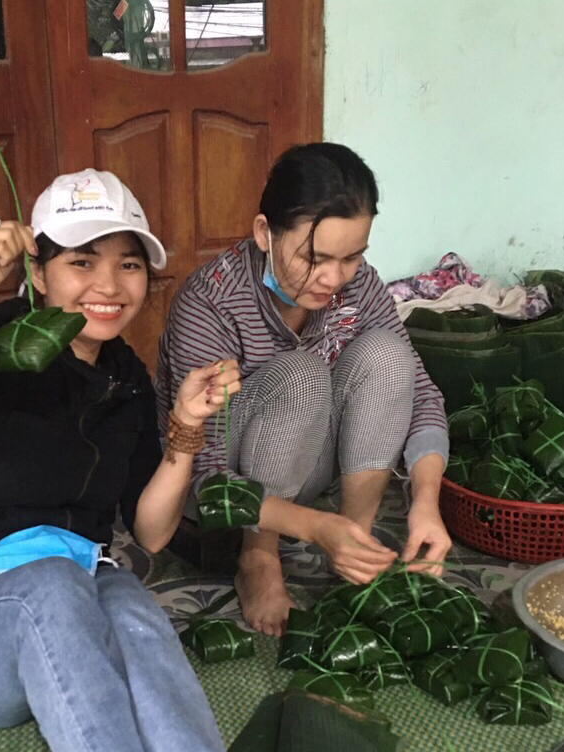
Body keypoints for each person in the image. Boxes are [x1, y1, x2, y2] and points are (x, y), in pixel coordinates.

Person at [0, 169, 237, 752]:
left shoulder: (124, 379)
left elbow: (152, 534)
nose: (109, 284)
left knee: (129, 600)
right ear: (36, 273)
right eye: (82, 261)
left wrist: (186, 426)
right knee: (53, 583)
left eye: (129, 264)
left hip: (77, 612)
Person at [156, 142, 452, 637]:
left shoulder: (359, 286)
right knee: (301, 373)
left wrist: (426, 501)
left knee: (387, 354)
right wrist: (314, 527)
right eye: (313, 258)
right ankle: (258, 558)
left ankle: (355, 549)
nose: (334, 278)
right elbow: (202, 473)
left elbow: (421, 393)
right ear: (264, 233)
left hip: (304, 463)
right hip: (217, 485)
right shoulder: (210, 301)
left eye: (352, 257)